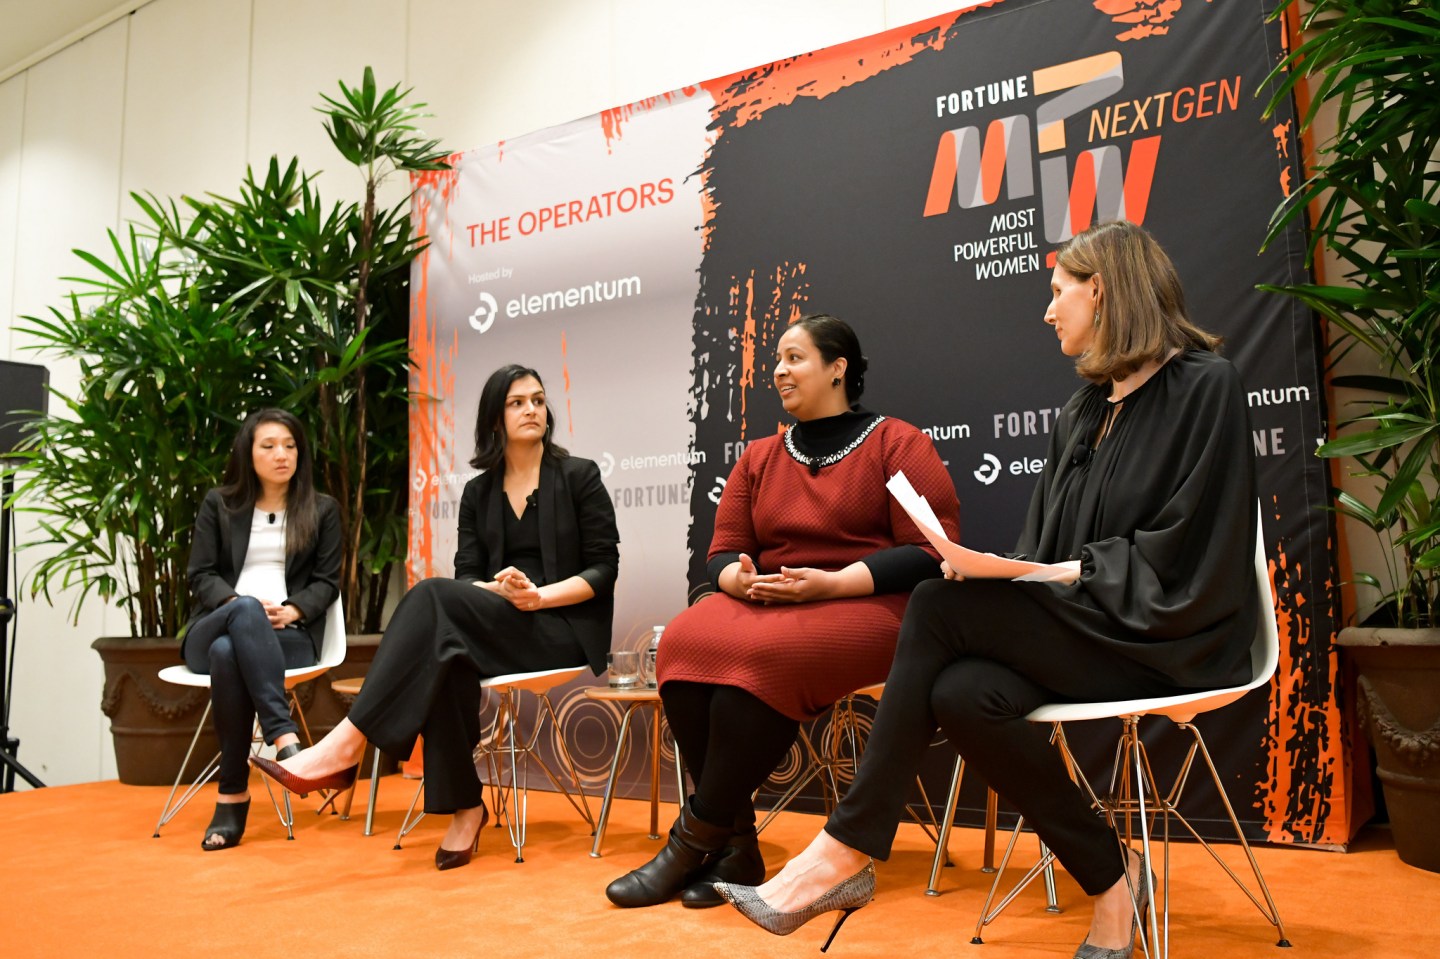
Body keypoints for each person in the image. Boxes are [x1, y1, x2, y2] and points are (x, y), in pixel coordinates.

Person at [715, 220, 1258, 959]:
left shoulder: (1206, 386)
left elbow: (1191, 544)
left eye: (1057, 291)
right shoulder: (1084, 411)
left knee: (936, 606)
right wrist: (994, 567)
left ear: (1099, 290)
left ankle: (844, 850)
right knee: (962, 693)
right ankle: (1113, 875)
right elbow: (1046, 551)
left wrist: (1051, 574)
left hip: (1168, 633)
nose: (1048, 310)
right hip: (1086, 625)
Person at [605, 313, 961, 909]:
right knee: (684, 641)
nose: (778, 370)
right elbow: (721, 551)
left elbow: (933, 548)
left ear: (837, 368)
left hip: (872, 605)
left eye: (794, 358)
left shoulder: (897, 442)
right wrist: (737, 581)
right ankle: (738, 845)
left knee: (765, 654)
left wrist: (833, 583)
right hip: (775, 601)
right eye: (776, 360)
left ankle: (693, 840)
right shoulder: (761, 456)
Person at [251, 364, 619, 870]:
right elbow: (468, 575)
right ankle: (467, 807)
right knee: (446, 649)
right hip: (498, 621)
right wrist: (498, 589)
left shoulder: (579, 476)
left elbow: (604, 567)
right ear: (495, 418)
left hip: (558, 627)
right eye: (517, 402)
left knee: (431, 601)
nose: (532, 409)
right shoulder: (478, 492)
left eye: (537, 399)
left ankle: (346, 746)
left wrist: (539, 596)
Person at [183, 409, 342, 851]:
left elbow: (327, 583)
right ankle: (283, 736)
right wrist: (239, 607)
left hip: (286, 638)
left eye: (290, 446)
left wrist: (292, 611)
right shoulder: (220, 503)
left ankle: (231, 795)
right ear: (248, 453)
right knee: (241, 617)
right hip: (215, 621)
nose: (281, 455)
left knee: (225, 654)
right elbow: (201, 574)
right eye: (269, 446)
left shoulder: (323, 510)